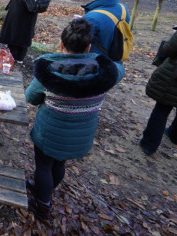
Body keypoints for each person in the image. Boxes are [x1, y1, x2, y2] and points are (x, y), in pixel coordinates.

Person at [25, 18, 118, 221]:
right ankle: (45, 191)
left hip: (50, 131)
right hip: (81, 133)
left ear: (61, 44)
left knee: (43, 165)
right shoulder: (103, 72)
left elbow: (30, 97)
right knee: (59, 163)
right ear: (88, 47)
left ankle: (43, 204)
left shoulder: (49, 69)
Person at [139, 20, 177, 156]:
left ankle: (149, 145)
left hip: (175, 75)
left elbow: (167, 50)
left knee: (162, 108)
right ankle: (176, 137)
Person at [82, 0, 130, 82]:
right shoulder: (123, 8)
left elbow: (80, 47)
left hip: (97, 69)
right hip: (117, 66)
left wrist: (79, 24)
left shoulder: (91, 18)